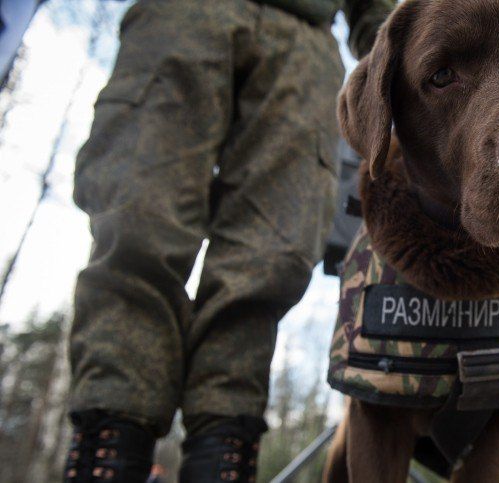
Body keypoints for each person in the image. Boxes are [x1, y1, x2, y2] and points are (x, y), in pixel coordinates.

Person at [62, 0, 392, 481]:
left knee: (271, 259)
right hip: (179, 18)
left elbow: (376, 13)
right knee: (135, 224)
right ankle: (108, 446)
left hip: (305, 46)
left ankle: (223, 456)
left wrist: (396, 72)